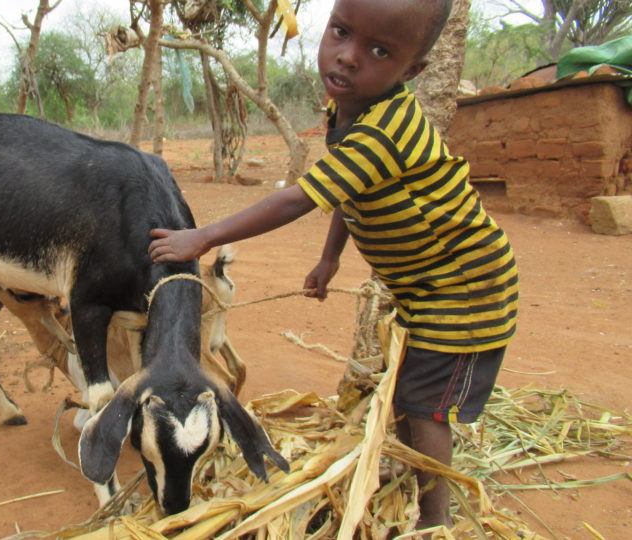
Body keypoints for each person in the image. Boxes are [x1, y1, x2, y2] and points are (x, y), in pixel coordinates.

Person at [148, 0, 518, 530]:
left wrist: (202, 237)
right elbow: (351, 192)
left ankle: (435, 521)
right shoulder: (346, 111)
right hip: (429, 286)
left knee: (426, 404)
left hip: (466, 289)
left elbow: (300, 198)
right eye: (341, 33)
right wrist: (330, 257)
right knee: (410, 392)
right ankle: (403, 472)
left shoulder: (385, 128)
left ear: (411, 71)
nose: (346, 58)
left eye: (379, 50)